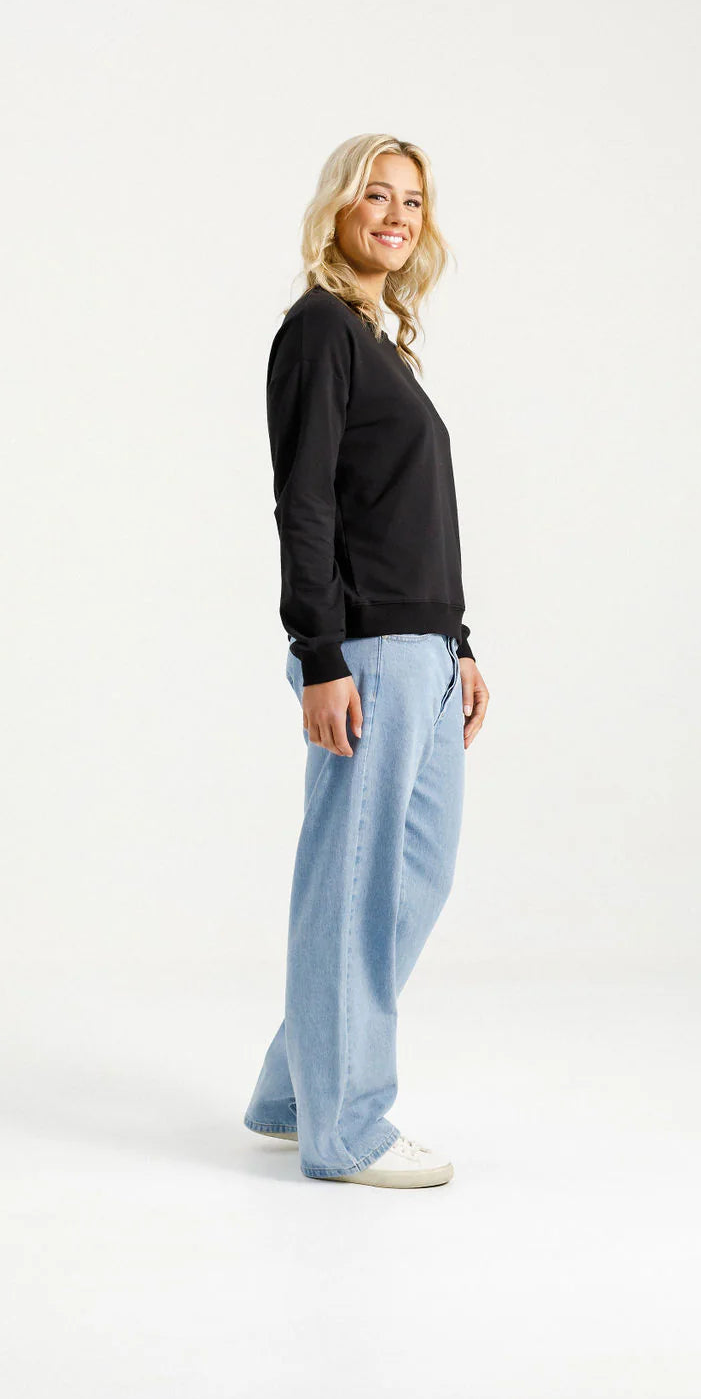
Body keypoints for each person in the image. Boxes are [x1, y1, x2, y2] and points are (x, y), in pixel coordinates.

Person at [243, 133, 489, 1188]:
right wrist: (320, 655)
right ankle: (346, 1131)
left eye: (411, 201)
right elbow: (304, 504)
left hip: (423, 651)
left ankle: (294, 1093)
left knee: (408, 882)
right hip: (367, 654)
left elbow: (405, 512)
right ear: (338, 208)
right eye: (375, 195)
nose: (395, 215)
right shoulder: (317, 331)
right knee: (354, 885)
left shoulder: (378, 342)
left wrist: (459, 643)